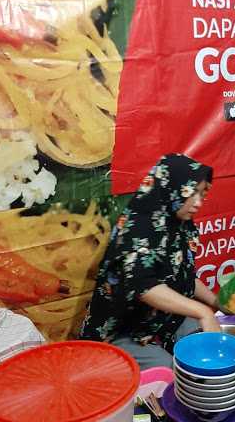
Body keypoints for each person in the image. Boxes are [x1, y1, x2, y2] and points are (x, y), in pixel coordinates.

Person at [80, 153, 221, 368]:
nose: (198, 203)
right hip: (122, 330)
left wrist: (216, 303)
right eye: (192, 193)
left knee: (207, 346)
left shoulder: (179, 224)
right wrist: (202, 311)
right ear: (171, 187)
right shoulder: (137, 227)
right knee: (175, 374)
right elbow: (144, 287)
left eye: (202, 194)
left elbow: (184, 277)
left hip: (162, 320)